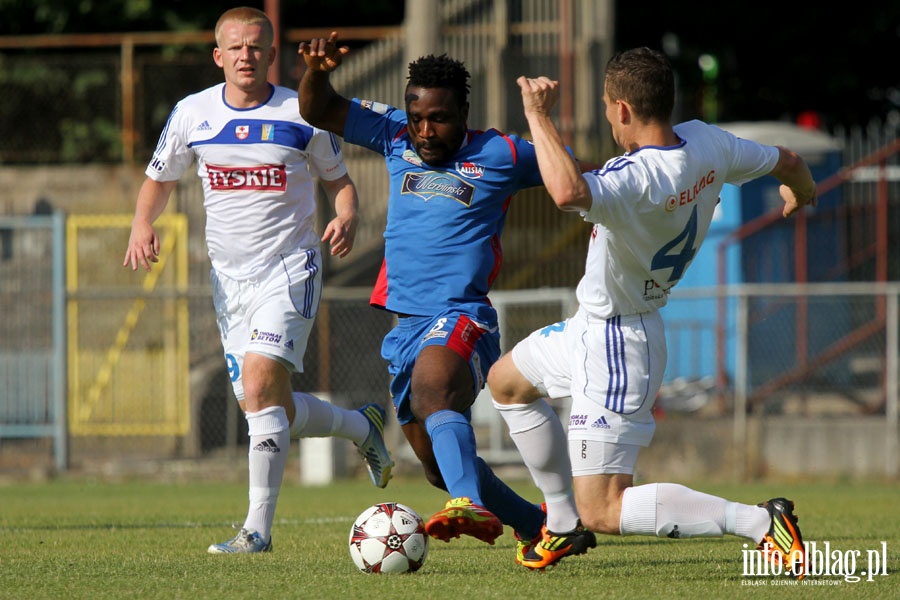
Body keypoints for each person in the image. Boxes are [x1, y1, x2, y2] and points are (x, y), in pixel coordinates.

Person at [489, 47, 816, 574]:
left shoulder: (636, 176)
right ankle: (562, 524)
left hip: (618, 342)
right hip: (590, 327)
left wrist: (536, 114)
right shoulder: (708, 142)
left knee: (607, 506)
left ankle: (759, 522)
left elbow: (568, 191)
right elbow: (791, 162)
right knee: (506, 382)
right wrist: (801, 192)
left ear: (621, 109)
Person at [297, 32, 600, 561]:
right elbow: (320, 107)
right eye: (416, 118)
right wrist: (318, 71)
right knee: (435, 463)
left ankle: (467, 501)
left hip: (463, 315)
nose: (424, 130)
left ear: (463, 112)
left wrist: (541, 119)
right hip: (405, 325)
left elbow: (567, 173)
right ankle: (542, 525)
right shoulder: (393, 134)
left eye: (438, 118)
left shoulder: (501, 153)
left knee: (435, 389)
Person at [123, 7, 394, 554]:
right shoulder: (191, 113)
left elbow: (340, 183)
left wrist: (347, 214)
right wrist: (140, 223)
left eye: (256, 47)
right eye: (236, 47)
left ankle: (257, 532)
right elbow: (159, 178)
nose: (246, 56)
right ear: (218, 56)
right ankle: (361, 427)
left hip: (290, 267)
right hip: (229, 282)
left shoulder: (301, 111)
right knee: (263, 402)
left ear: (271, 55)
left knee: (261, 378)